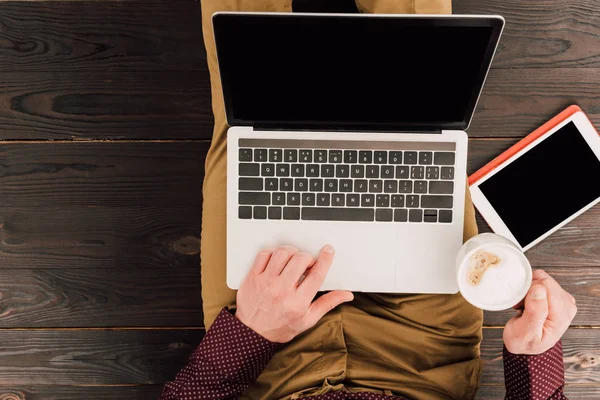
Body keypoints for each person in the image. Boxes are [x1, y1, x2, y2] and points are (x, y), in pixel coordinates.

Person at [159, 0, 578, 399]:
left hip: (268, 365)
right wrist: (533, 353)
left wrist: (250, 332)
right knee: (421, 107)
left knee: (244, 127)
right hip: (424, 357)